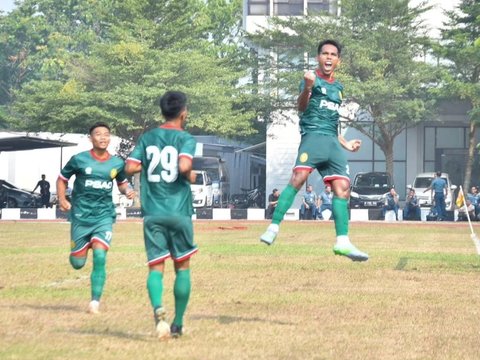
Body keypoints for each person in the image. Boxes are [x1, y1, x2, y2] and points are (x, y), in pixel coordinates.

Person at [260, 39, 368, 262]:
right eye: (325, 53)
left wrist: (345, 144)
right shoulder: (311, 80)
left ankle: (343, 242)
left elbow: (332, 121)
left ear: (338, 60)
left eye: (333, 54)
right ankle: (274, 227)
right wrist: (308, 88)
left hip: (331, 141)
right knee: (298, 178)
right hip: (313, 138)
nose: (329, 57)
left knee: (343, 188)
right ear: (318, 57)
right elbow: (301, 108)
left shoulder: (338, 89)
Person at [125, 91, 198, 340]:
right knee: (182, 267)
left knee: (156, 267)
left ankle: (158, 311)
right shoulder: (185, 138)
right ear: (184, 112)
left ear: (162, 111)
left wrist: (150, 163)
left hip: (153, 212)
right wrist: (190, 175)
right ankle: (177, 323)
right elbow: (185, 166)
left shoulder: (148, 137)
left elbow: (130, 167)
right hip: (179, 212)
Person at [56, 122, 135, 314]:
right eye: (98, 134)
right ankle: (82, 247)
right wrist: (62, 198)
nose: (102, 137)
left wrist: (128, 191)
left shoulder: (116, 163)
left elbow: (122, 183)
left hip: (104, 216)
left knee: (100, 256)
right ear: (90, 138)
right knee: (77, 264)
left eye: (106, 134)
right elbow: (62, 179)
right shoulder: (79, 160)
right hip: (81, 217)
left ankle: (94, 303)